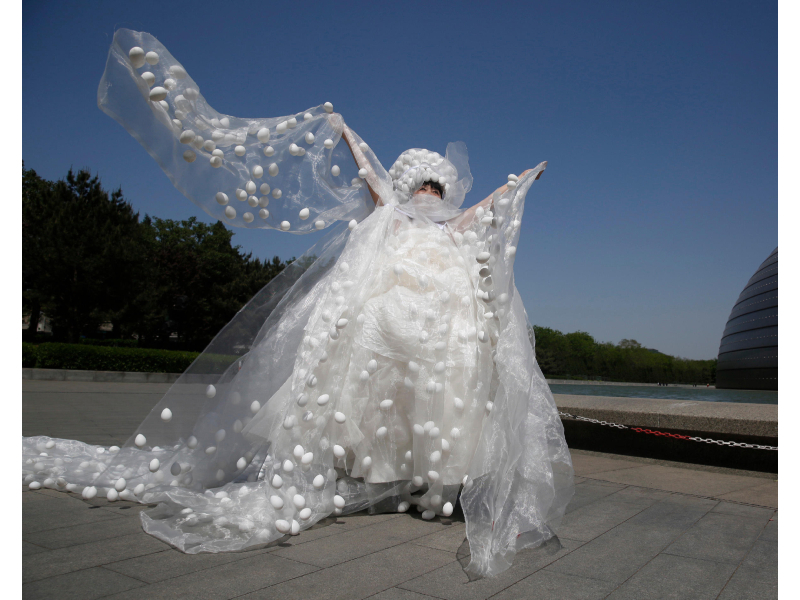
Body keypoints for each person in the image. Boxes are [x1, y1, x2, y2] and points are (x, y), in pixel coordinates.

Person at [22, 29, 574, 579]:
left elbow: (487, 207)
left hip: (435, 315)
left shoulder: (451, 225)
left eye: (435, 189)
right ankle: (373, 471)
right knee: (370, 380)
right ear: (414, 189)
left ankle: (414, 475)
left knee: (429, 385)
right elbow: (369, 169)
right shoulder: (392, 211)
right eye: (423, 189)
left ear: (440, 192)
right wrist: (347, 133)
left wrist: (521, 182)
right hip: (390, 306)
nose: (429, 196)